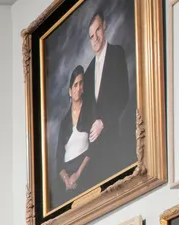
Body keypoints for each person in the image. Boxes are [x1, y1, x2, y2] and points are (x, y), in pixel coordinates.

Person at [82, 9, 134, 181]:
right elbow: (88, 108)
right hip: (95, 151)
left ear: (104, 26)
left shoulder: (116, 53)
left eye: (97, 30)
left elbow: (124, 94)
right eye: (91, 35)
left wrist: (103, 122)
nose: (95, 37)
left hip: (114, 140)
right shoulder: (88, 71)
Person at [54, 66, 93, 200]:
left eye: (81, 83)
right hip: (67, 176)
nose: (78, 88)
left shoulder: (90, 112)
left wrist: (78, 173)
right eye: (75, 85)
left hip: (85, 169)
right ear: (70, 91)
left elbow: (94, 147)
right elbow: (59, 158)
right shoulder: (64, 123)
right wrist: (67, 180)